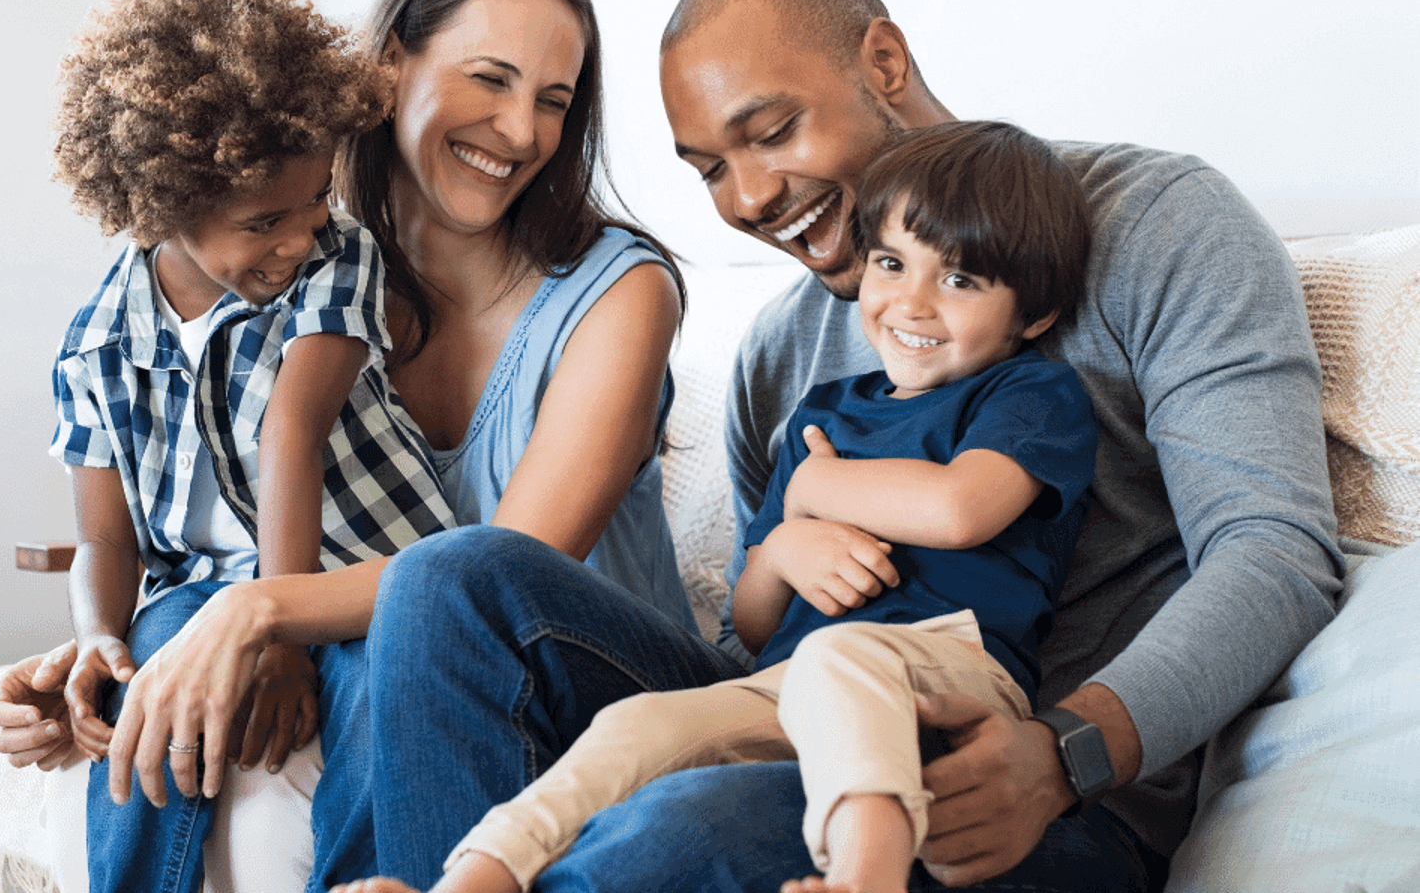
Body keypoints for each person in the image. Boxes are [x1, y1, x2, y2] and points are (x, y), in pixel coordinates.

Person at [336, 0, 1343, 893]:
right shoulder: (780, 355)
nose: (749, 198)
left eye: (772, 132)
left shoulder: (1153, 222)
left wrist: (1065, 752)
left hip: (1026, 785)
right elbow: (754, 633)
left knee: (676, 828)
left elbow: (1273, 550)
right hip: (804, 719)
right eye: (709, 170)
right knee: (450, 579)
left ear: (886, 62)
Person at [0, 0, 714, 892]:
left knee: (433, 598)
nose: (524, 132)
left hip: (601, 682)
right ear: (387, 66)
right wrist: (106, 653)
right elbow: (200, 523)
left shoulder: (620, 294)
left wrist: (260, 614)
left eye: (554, 99)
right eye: (489, 79)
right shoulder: (289, 271)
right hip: (416, 659)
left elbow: (490, 580)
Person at [343, 120, 1099, 893]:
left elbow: (961, 510)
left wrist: (813, 491)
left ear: (1032, 316)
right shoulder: (825, 413)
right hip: (794, 682)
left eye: (961, 280)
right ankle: (466, 880)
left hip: (950, 677)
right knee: (636, 727)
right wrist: (781, 554)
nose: (912, 302)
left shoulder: (1029, 393)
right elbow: (755, 619)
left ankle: (866, 875)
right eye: (891, 263)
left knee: (846, 656)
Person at [46, 0, 455, 893]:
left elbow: (292, 431)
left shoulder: (335, 261)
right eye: (265, 219)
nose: (301, 235)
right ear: (164, 207)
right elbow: (103, 534)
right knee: (151, 667)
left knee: (379, 692)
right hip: (205, 590)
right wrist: (97, 636)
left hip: (364, 576)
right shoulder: (94, 346)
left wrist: (278, 634)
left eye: (316, 200)